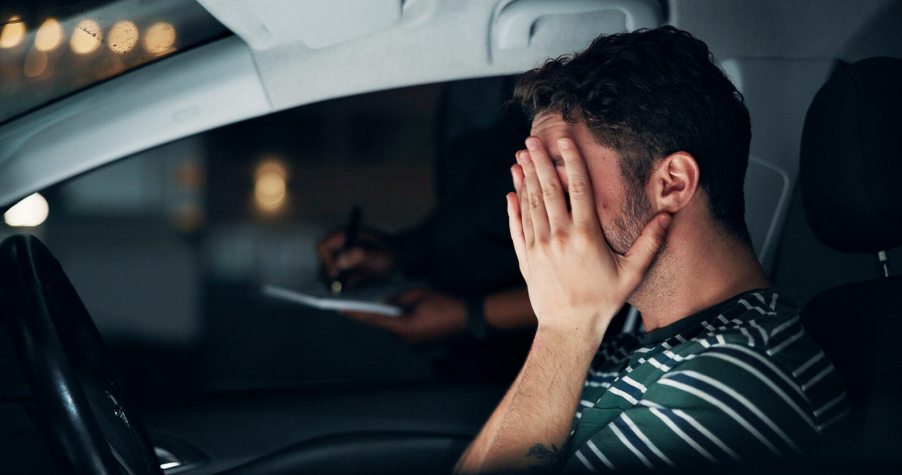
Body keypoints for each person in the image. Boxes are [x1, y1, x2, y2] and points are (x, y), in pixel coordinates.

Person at [454, 26, 848, 473]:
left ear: (671, 183)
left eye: (560, 177)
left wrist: (564, 329)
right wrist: (564, 327)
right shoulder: (630, 342)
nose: (539, 209)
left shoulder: (728, 386)